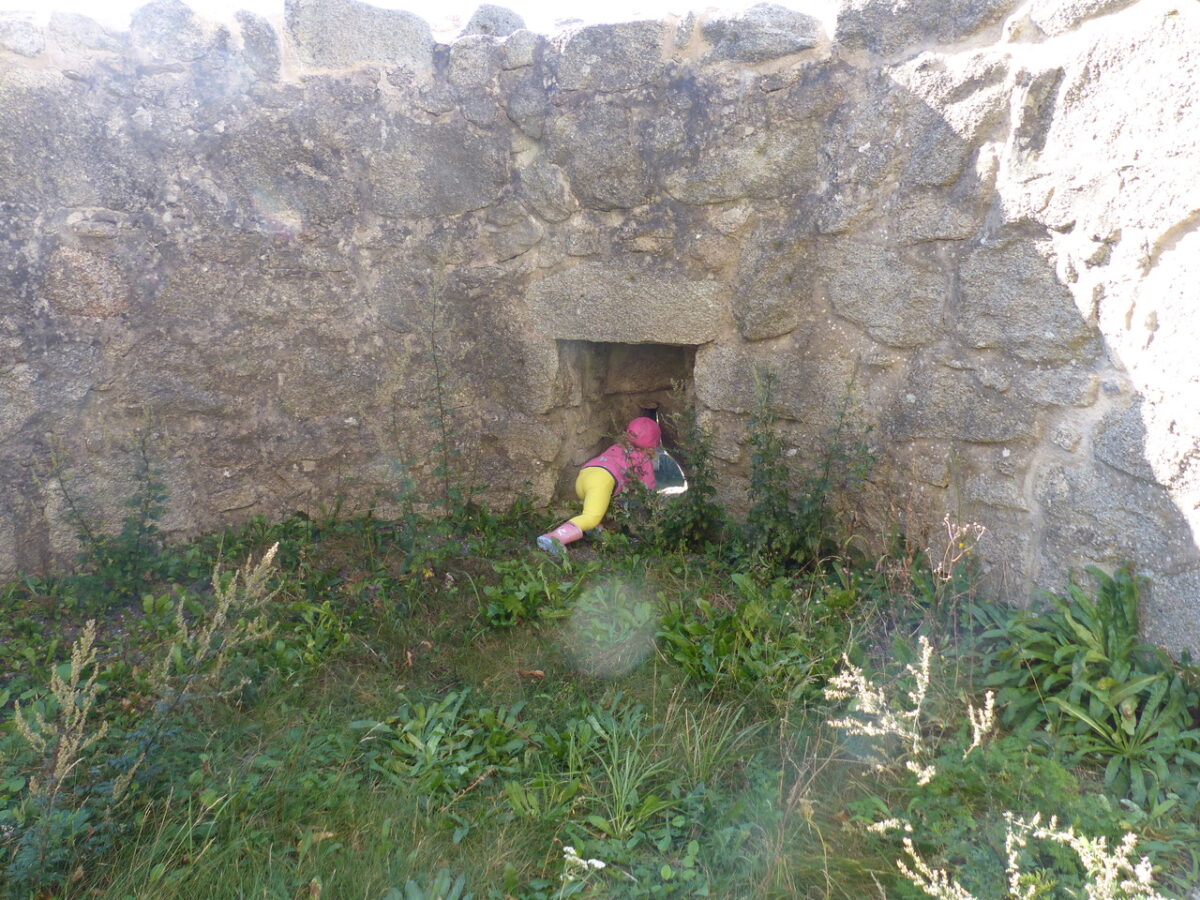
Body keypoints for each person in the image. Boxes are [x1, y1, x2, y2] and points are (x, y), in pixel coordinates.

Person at [537, 417, 661, 556]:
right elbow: (647, 487)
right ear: (652, 445)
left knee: (599, 505)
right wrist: (651, 504)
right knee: (591, 516)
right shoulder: (644, 460)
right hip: (602, 480)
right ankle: (554, 538)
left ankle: (595, 529)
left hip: (585, 475)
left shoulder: (617, 447)